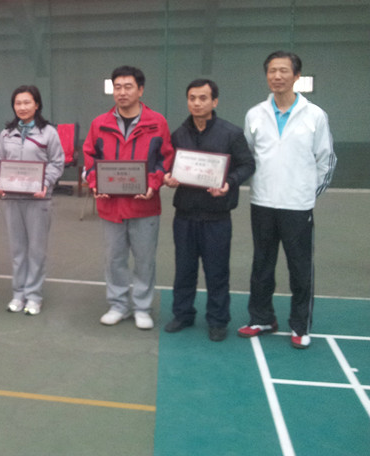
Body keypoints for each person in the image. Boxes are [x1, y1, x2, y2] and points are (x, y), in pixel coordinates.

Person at [238, 51, 336, 349]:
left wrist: (306, 193)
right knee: (262, 265)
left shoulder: (315, 115)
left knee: (300, 268)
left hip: (297, 207)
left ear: (296, 76)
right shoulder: (255, 114)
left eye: (283, 70)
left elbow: (326, 160)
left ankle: (300, 325)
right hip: (262, 203)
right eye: (272, 70)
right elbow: (248, 158)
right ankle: (261, 318)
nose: (277, 76)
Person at [163, 79, 255, 342]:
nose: (197, 103)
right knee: (184, 270)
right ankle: (183, 314)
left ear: (214, 101)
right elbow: (168, 166)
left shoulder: (231, 133)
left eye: (203, 98)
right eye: (192, 98)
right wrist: (168, 177)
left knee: (217, 272)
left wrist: (229, 182)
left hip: (217, 217)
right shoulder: (178, 134)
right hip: (184, 216)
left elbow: (247, 165)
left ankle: (217, 320)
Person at [82, 65, 174, 330]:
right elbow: (90, 156)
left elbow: (166, 158)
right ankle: (119, 305)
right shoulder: (99, 124)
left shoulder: (157, 123)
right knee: (114, 259)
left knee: (145, 259)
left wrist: (153, 184)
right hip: (111, 205)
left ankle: (142, 307)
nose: (122, 92)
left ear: (140, 90)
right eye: (117, 87)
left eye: (128, 87)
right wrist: (95, 182)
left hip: (145, 205)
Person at [0, 85, 65, 316]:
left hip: (38, 200)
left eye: (27, 102)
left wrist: (45, 183)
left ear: (37, 104)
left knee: (36, 251)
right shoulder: (6, 134)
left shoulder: (49, 133)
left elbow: (57, 163)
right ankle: (18, 294)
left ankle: (34, 296)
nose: (22, 107)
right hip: (12, 199)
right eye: (18, 103)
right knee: (17, 250)